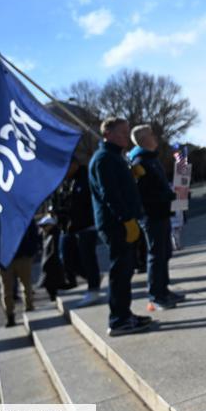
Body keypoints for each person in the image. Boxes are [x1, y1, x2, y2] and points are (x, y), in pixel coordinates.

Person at [88, 117, 152, 336]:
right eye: (122, 132)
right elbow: (110, 194)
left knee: (125, 271)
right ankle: (118, 319)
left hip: (123, 221)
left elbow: (118, 188)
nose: (126, 136)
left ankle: (124, 314)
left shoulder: (114, 157)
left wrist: (130, 175)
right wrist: (126, 219)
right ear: (108, 134)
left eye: (127, 132)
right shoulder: (104, 158)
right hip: (116, 224)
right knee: (120, 271)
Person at [128, 124, 185, 310]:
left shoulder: (150, 159)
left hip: (162, 213)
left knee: (164, 253)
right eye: (151, 134)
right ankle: (156, 295)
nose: (155, 137)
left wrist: (174, 194)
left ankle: (164, 290)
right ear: (144, 139)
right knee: (156, 255)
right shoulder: (140, 162)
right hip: (152, 215)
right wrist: (169, 196)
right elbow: (144, 194)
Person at [53, 158, 104, 307]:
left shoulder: (86, 177)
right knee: (66, 258)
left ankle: (93, 288)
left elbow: (89, 200)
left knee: (87, 256)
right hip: (68, 226)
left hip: (86, 225)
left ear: (74, 164)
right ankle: (92, 277)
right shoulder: (64, 182)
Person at [0, 222, 38, 327]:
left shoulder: (21, 211)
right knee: (7, 289)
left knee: (26, 284)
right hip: (5, 258)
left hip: (22, 254)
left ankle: (29, 307)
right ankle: (10, 315)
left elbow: (33, 231)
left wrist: (31, 250)